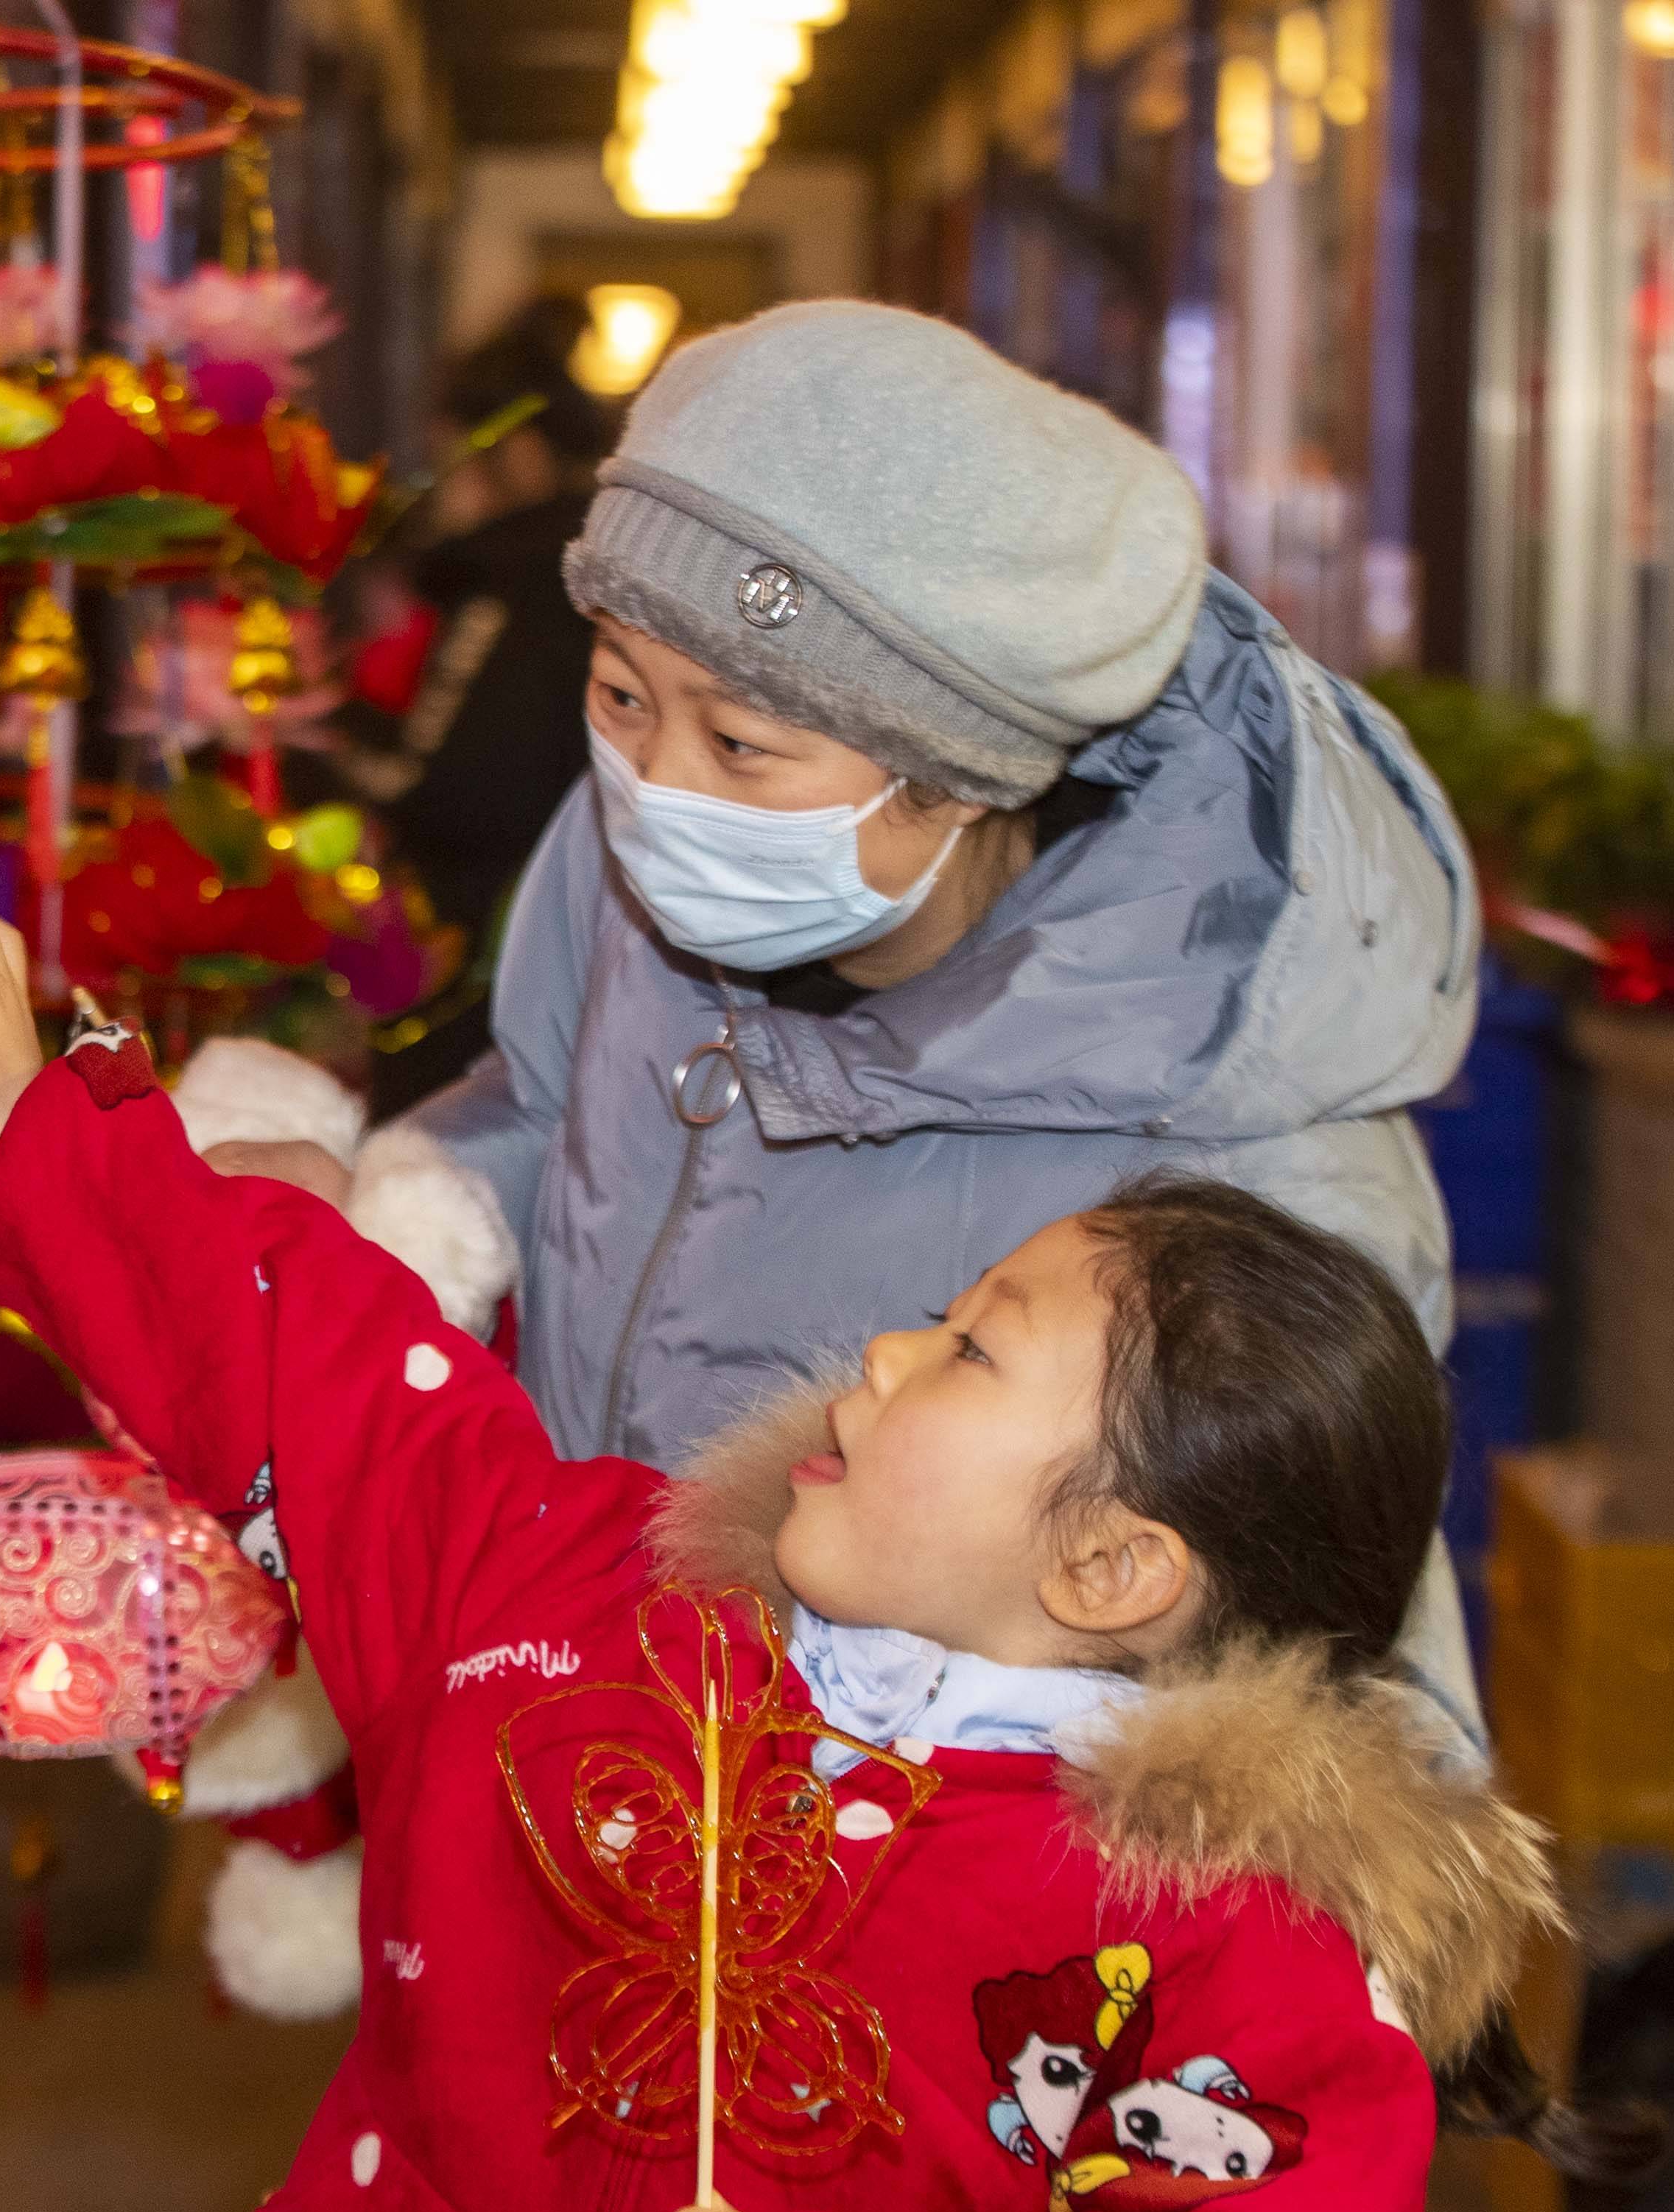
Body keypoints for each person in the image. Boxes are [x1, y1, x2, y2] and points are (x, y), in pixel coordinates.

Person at [0, 871, 1621, 2212]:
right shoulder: (585, 1609)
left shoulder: (1234, 1945)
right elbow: (340, 1386)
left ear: (1110, 1560)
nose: (877, 1349)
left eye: (966, 1349)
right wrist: (45, 1122)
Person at [323, 301, 1484, 1739]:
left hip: (914, 1899)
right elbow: (561, 1105)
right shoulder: (620, 855)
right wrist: (406, 1202)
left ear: (961, 773)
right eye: (619, 692)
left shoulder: (1250, 1145)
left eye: (744, 742)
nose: (656, 785)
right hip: (581, 1762)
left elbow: (1324, 1690)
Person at [314, 294, 616, 1112]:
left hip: (490, 969)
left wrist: (309, 730)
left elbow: (447, 784)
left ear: (511, 453)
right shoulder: (573, 580)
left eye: (448, 455)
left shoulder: (514, 590)